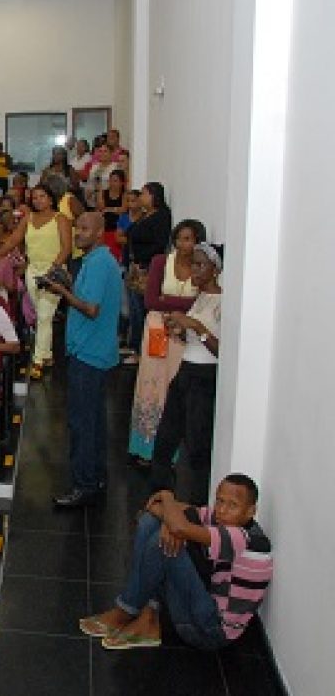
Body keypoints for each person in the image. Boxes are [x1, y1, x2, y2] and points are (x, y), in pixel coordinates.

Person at [80, 475, 272, 652]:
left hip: (211, 631)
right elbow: (156, 509)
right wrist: (170, 521)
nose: (222, 510)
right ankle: (147, 618)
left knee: (160, 543)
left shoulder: (243, 538)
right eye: (220, 501)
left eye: (232, 505)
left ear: (251, 511)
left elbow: (179, 525)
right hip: (205, 602)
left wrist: (167, 495)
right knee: (150, 522)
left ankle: (126, 610)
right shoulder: (222, 519)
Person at [43, 213, 123, 508]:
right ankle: (96, 478)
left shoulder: (99, 263)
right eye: (77, 228)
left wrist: (62, 291)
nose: (78, 233)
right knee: (95, 421)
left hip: (89, 352)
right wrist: (68, 283)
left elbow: (91, 309)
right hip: (92, 350)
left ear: (100, 232)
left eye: (85, 229)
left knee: (82, 423)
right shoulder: (95, 260)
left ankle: (83, 484)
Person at [150, 243, 223, 505]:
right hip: (186, 372)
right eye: (193, 264)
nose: (195, 269)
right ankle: (160, 498)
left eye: (201, 265)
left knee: (197, 445)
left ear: (215, 269)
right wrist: (180, 330)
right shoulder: (200, 298)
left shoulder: (223, 302)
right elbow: (193, 338)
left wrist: (195, 326)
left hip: (204, 377)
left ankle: (195, 506)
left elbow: (222, 350)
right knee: (165, 439)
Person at [128, 220, 204, 462]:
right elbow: (151, 300)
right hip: (157, 329)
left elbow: (200, 302)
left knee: (176, 386)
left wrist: (167, 300)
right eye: (179, 239)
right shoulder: (161, 262)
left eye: (188, 239)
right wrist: (179, 304)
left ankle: (173, 451)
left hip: (184, 334)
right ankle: (146, 446)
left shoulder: (201, 268)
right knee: (151, 385)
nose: (182, 244)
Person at [0, 184, 72, 380]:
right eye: (35, 197)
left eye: (42, 196)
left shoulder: (60, 219)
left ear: (51, 198)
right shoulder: (28, 218)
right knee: (41, 315)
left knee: (45, 315)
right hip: (32, 271)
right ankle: (47, 355)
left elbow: (66, 248)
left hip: (53, 272)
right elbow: (13, 240)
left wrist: (52, 270)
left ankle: (38, 360)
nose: (38, 200)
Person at [124, 183, 173, 357]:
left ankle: (142, 350)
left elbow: (159, 244)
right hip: (136, 267)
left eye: (144, 194)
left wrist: (142, 260)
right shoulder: (146, 215)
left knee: (143, 309)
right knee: (134, 309)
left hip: (147, 268)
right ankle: (134, 345)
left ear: (154, 196)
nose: (141, 197)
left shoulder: (162, 216)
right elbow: (130, 232)